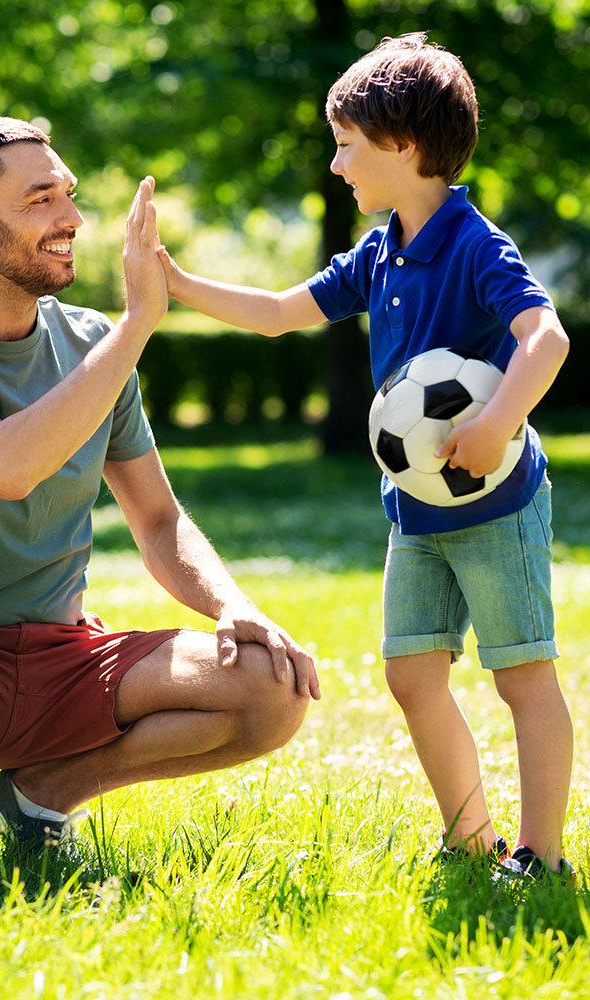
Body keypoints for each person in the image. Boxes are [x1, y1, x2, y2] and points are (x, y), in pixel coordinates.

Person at [0, 116, 320, 890]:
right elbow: (5, 465)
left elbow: (158, 521)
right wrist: (135, 328)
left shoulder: (94, 348)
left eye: (69, 194)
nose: (71, 219)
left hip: (65, 658)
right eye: (39, 200)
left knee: (271, 686)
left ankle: (41, 796)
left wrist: (233, 604)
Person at [156, 34, 574, 881]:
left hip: (496, 505)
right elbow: (278, 310)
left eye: (347, 142)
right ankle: (471, 840)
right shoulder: (380, 250)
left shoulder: (475, 245)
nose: (338, 162)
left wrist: (497, 418)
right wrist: (174, 282)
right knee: (412, 674)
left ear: (404, 146)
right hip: (416, 510)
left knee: (521, 677)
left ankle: (543, 855)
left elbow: (547, 337)